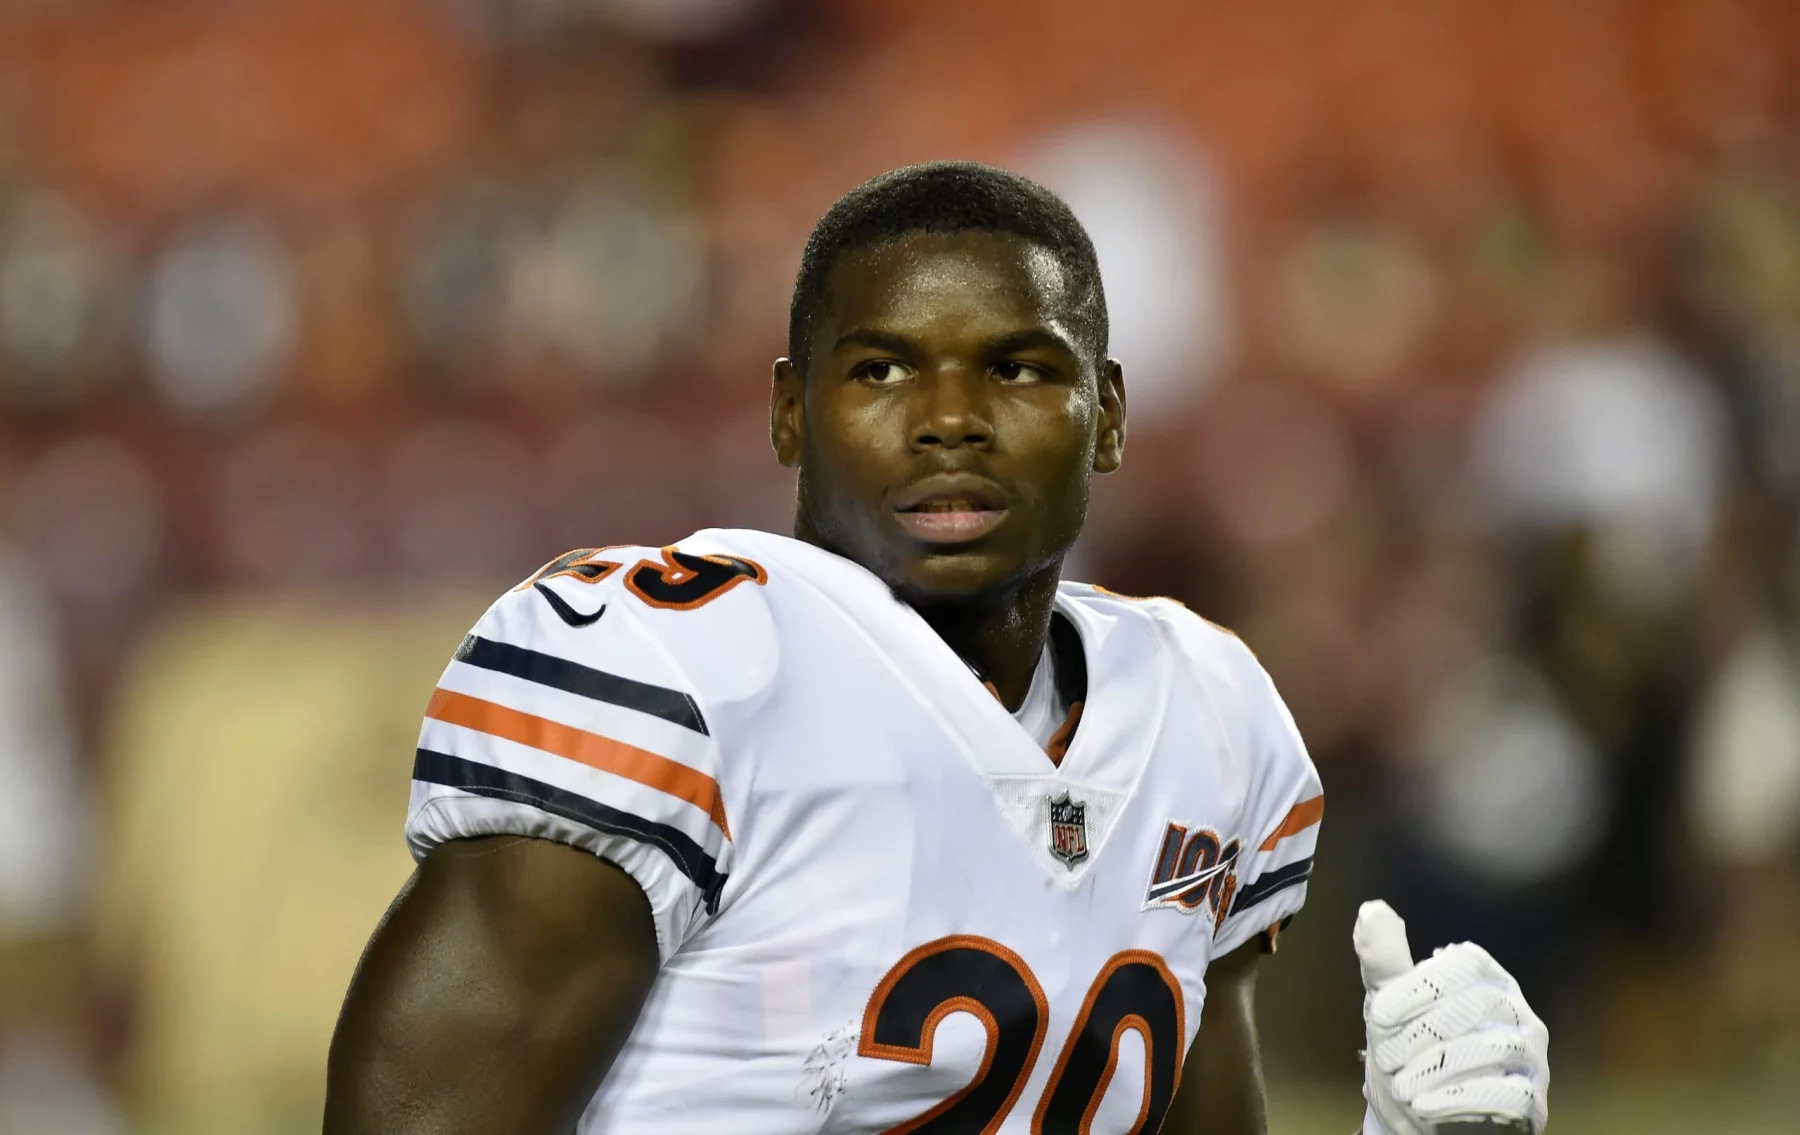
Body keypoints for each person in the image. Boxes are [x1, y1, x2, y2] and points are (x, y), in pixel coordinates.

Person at [323, 162, 1550, 1135]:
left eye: (1017, 369)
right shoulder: (685, 672)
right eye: (882, 370)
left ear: (1107, 415)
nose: (951, 419)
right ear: (791, 413)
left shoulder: (1207, 713)